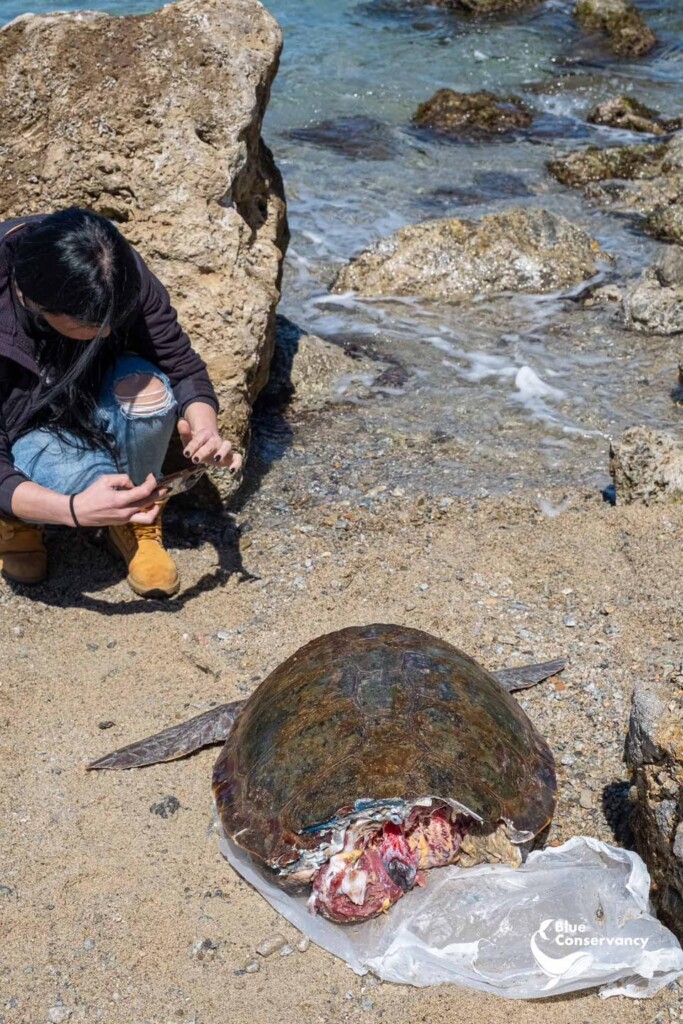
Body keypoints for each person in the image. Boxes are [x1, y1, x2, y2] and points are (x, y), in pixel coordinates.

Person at [0, 207, 242, 598]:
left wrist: (204, 427)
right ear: (35, 301)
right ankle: (19, 520)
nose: (110, 331)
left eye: (115, 317)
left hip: (93, 391)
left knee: (152, 394)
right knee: (78, 480)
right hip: (20, 429)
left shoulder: (112, 269)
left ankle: (133, 518)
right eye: (91, 323)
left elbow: (180, 365)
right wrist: (74, 510)